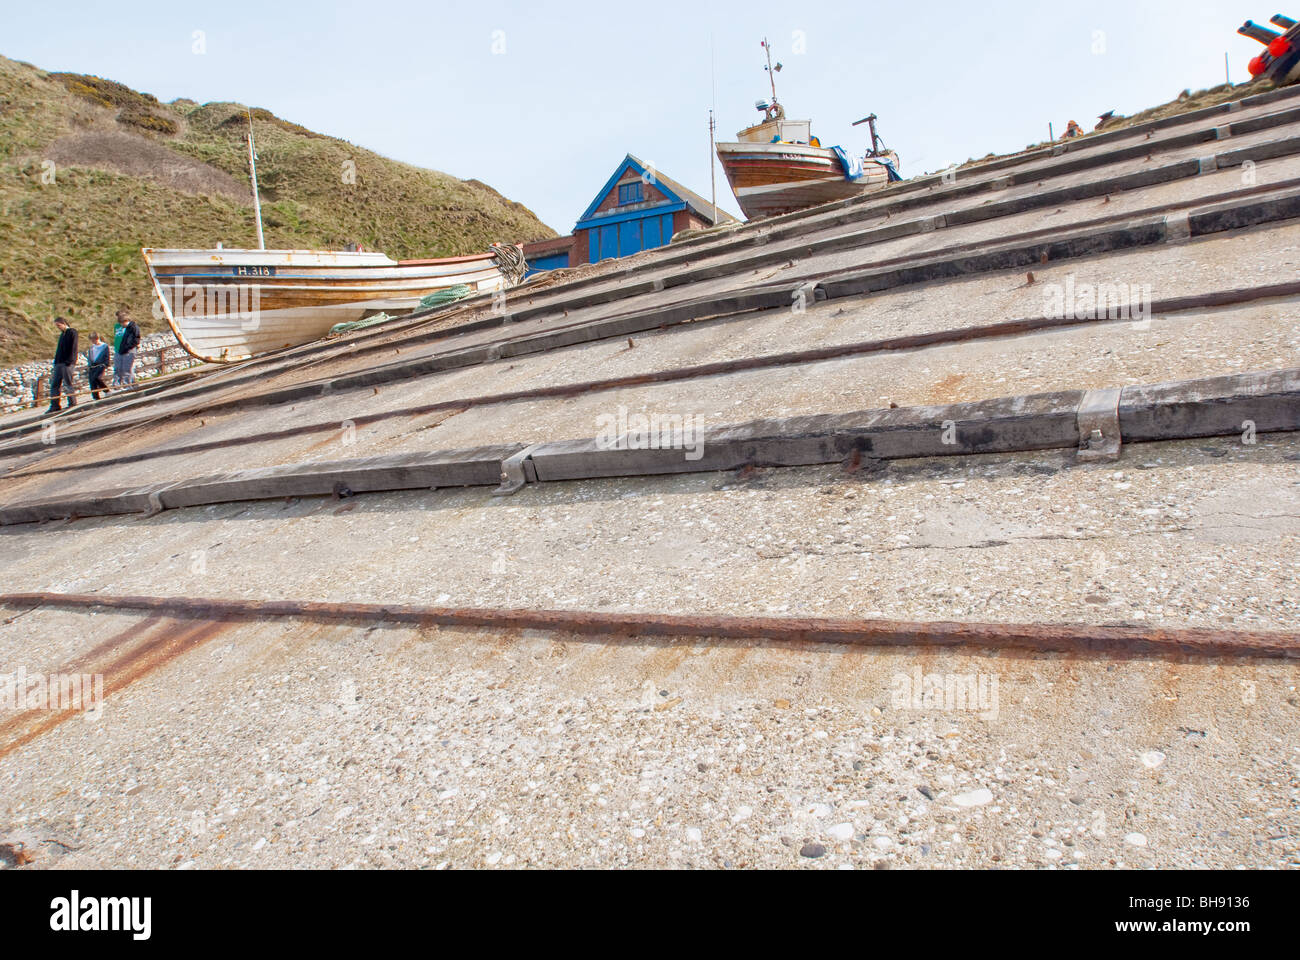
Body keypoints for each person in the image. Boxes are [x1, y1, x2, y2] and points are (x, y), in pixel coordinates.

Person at [48, 317, 79, 413]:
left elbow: (73, 347)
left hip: (67, 363)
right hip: (59, 363)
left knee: (67, 383)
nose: (58, 327)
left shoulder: (72, 332)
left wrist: (69, 361)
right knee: (55, 384)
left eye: (59, 325)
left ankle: (72, 402)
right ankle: (55, 405)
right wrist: (56, 362)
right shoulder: (62, 335)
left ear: (64, 323)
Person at [112, 309, 141, 388]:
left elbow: (135, 338)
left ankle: (128, 384)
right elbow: (116, 337)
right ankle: (120, 384)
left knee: (127, 368)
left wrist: (132, 345)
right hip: (119, 349)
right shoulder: (117, 326)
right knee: (118, 368)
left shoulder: (131, 327)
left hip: (128, 349)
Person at [85, 332, 110, 400]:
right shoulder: (92, 347)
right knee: (92, 381)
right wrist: (89, 365)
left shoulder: (104, 346)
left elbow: (106, 356)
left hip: (100, 365)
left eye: (93, 340)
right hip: (93, 366)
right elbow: (90, 357)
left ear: (97, 338)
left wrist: (105, 364)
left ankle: (106, 391)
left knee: (97, 378)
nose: (92, 342)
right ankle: (95, 397)